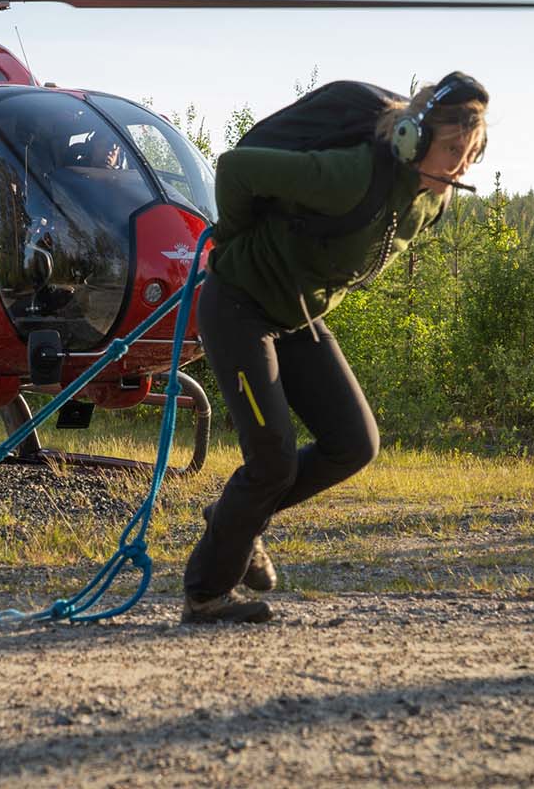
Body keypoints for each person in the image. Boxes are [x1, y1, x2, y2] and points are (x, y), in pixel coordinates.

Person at [182, 73, 489, 623]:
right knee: (272, 459)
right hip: (239, 307)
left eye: (470, 154)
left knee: (354, 441)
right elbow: (235, 168)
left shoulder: (431, 200)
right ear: (413, 140)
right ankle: (206, 593)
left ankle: (235, 519)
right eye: (451, 151)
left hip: (297, 319)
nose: (460, 167)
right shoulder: (352, 175)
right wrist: (234, 234)